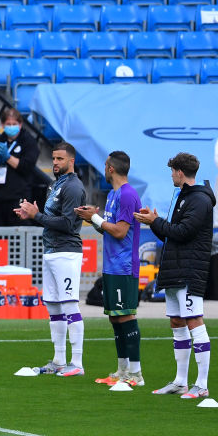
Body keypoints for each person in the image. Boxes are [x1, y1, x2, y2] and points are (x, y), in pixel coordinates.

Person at [135, 152, 216, 399]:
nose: (171, 175)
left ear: (180, 172)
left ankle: (201, 385)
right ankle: (181, 381)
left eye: (172, 171)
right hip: (176, 270)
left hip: (190, 271)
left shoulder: (200, 200)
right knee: (177, 322)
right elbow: (172, 235)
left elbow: (182, 232)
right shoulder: (185, 197)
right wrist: (155, 222)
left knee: (194, 321)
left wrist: (155, 220)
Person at [15, 142, 87, 377]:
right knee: (54, 307)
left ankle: (76, 363)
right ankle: (58, 359)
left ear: (71, 161)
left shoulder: (73, 187)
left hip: (66, 252)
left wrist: (39, 216)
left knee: (69, 305)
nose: (55, 162)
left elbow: (68, 224)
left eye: (59, 159)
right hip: (52, 251)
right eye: (53, 158)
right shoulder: (57, 185)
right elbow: (51, 218)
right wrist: (34, 215)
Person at [75, 151, 144, 387]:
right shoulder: (115, 194)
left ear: (111, 168)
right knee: (115, 318)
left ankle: (136, 373)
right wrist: (92, 218)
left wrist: (95, 218)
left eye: (105, 166)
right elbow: (109, 228)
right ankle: (122, 371)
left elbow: (121, 231)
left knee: (126, 315)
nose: (104, 169)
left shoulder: (127, 195)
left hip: (124, 266)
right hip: (113, 264)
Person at [0, 108, 38, 225]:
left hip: (18, 197)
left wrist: (8, 157)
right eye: (8, 124)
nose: (11, 126)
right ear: (3, 124)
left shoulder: (28, 141)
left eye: (14, 124)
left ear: (20, 124)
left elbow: (26, 166)